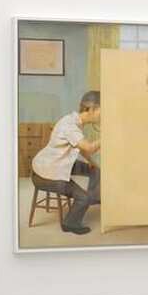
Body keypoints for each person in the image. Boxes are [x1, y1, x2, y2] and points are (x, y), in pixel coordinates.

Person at [31, 90, 103, 236]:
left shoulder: (75, 121)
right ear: (91, 109)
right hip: (46, 174)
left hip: (58, 163)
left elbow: (81, 148)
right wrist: (108, 134)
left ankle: (92, 198)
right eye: (102, 111)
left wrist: (92, 163)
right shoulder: (70, 126)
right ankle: (70, 223)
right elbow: (89, 147)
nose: (102, 115)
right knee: (83, 197)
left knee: (95, 170)